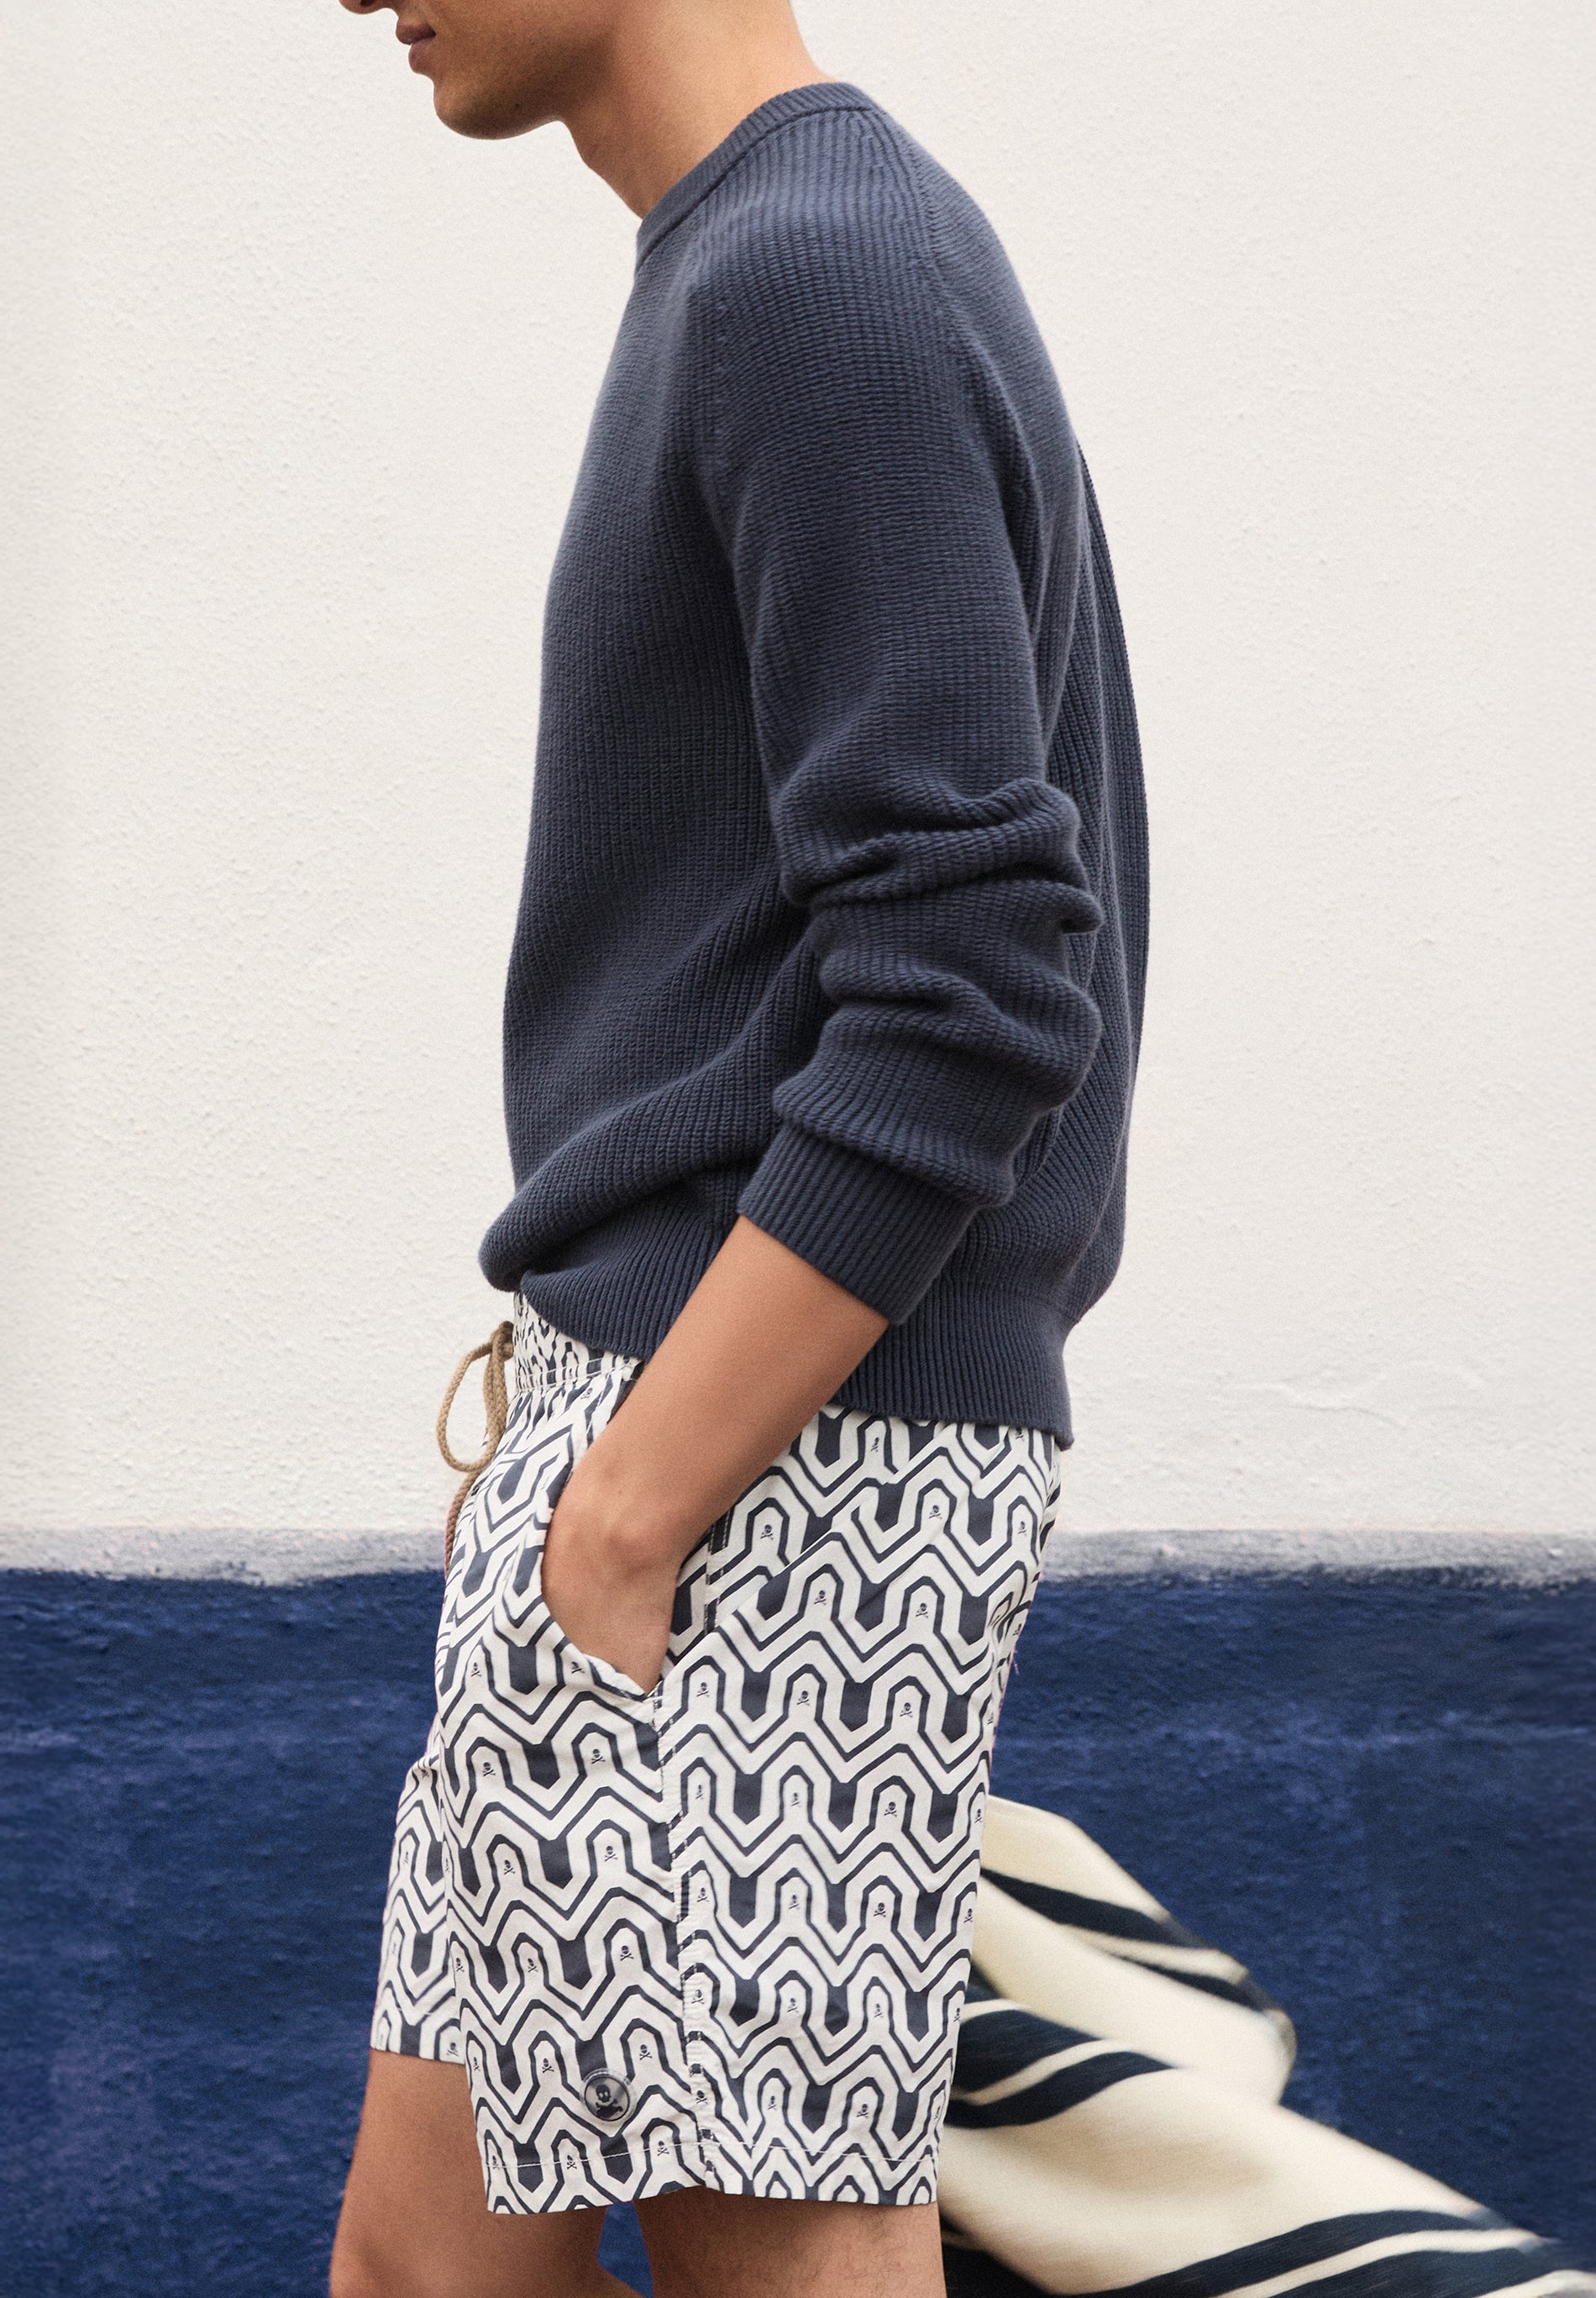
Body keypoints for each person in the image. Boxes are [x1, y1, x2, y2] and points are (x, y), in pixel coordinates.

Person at [328, 3, 1148, 2293]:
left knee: (770, 2262)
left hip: (763, 1476)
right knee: (425, 2267)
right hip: (677, 1448)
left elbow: (974, 990)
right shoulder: (758, 260)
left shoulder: (816, 276)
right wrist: (589, 1488)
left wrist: (628, 1512)